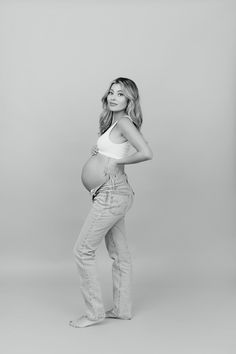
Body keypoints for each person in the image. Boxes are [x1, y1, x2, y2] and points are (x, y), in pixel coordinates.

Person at [69, 77, 153, 328]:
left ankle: (94, 313)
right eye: (111, 93)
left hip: (112, 193)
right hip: (113, 193)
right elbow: (121, 149)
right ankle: (122, 309)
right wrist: (102, 154)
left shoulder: (125, 122)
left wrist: (117, 162)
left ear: (130, 100)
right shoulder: (116, 122)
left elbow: (146, 153)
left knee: (82, 251)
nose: (114, 97)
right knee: (119, 255)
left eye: (121, 94)